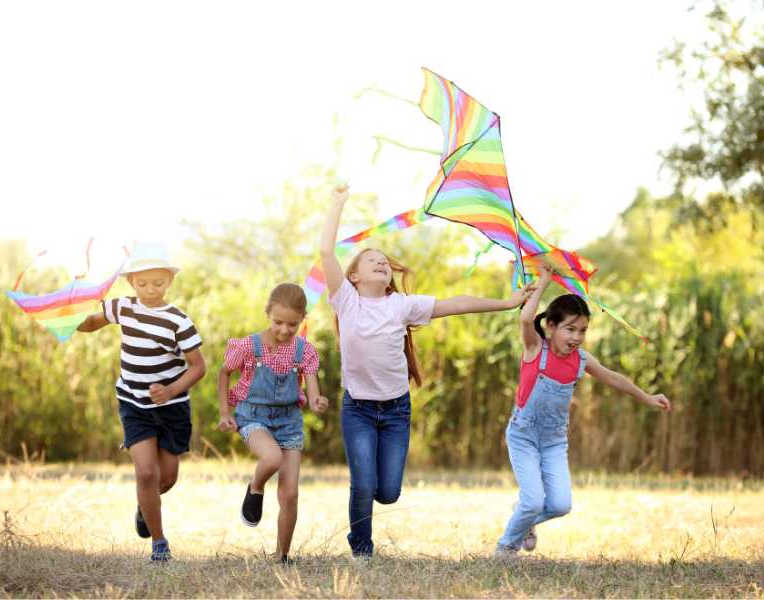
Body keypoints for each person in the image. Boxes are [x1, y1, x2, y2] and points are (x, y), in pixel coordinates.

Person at [320, 184, 535, 558]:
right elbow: (325, 250)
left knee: (387, 491)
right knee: (362, 482)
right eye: (371, 260)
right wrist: (338, 203)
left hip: (396, 410)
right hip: (357, 409)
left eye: (384, 260)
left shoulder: (402, 306)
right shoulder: (346, 301)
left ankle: (368, 504)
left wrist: (505, 302)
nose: (381, 262)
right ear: (352, 276)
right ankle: (362, 550)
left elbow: (456, 304)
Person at [494, 265, 671, 557]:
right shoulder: (535, 349)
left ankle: (524, 519)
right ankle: (506, 546)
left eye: (583, 330)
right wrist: (543, 282)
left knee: (561, 505)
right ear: (550, 326)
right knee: (533, 500)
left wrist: (647, 397)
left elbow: (613, 377)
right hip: (523, 436)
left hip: (553, 441)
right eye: (570, 329)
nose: (577, 337)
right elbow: (526, 318)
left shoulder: (581, 360)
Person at [78, 242, 206, 562]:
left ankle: (144, 505)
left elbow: (199, 367)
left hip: (173, 406)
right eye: (143, 283)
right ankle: (159, 544)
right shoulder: (123, 307)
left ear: (169, 282)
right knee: (146, 473)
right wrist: (68, 318)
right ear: (132, 282)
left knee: (167, 478)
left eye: (158, 283)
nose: (151, 290)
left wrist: (172, 390)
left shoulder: (178, 320)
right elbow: (92, 323)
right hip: (134, 402)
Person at [218, 282, 329, 565]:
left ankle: (282, 557)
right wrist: (224, 413)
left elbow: (313, 392)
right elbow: (224, 373)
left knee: (290, 493)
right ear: (268, 313)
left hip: (289, 421)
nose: (284, 330)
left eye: (292, 324)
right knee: (271, 457)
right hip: (252, 415)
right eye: (278, 322)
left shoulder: (304, 351)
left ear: (302, 319)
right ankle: (255, 488)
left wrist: (317, 403)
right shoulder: (248, 346)